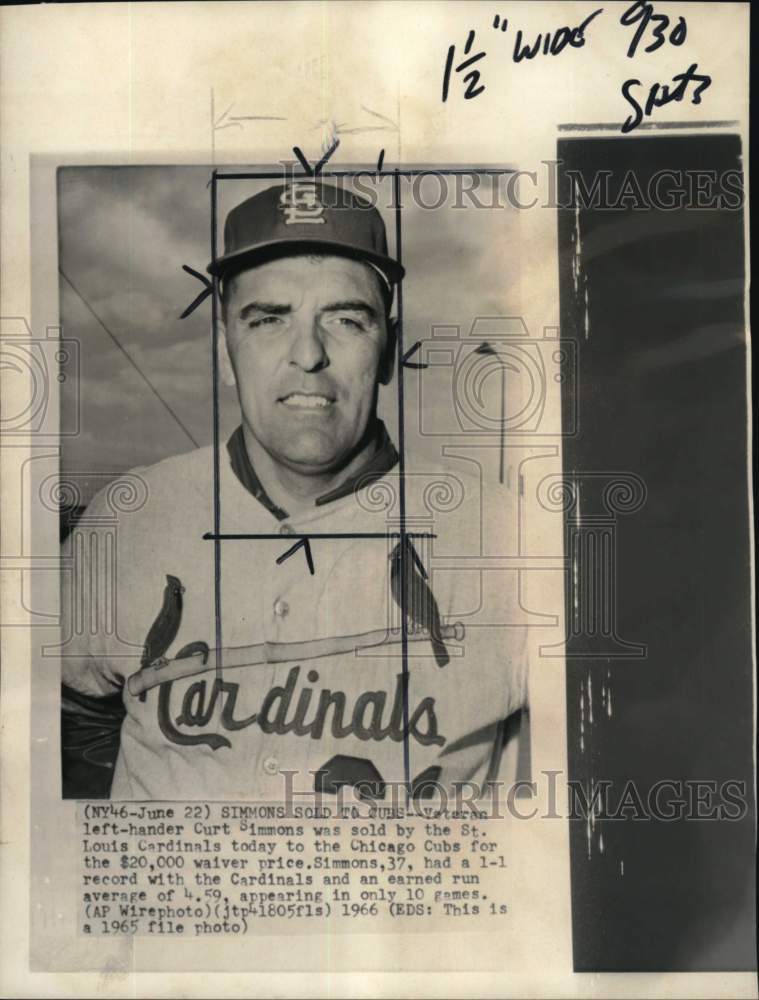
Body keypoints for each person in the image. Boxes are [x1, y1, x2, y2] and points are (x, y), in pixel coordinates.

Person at [61, 180, 528, 801]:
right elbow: (68, 717)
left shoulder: (510, 540)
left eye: (346, 319)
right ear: (226, 348)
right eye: (269, 319)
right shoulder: (129, 519)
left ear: (387, 350)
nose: (307, 354)